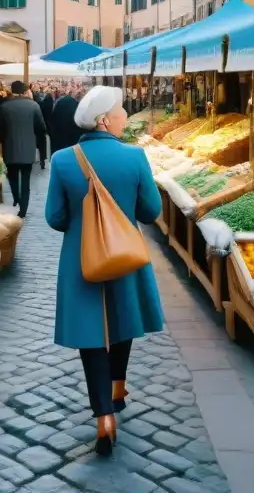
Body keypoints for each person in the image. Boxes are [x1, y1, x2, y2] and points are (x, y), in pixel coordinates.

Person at [45, 85, 164, 457]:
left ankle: (103, 419)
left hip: (82, 259)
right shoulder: (135, 156)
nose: (125, 116)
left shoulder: (64, 160)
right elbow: (150, 211)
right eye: (120, 111)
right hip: (124, 253)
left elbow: (55, 217)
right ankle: (118, 387)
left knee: (91, 333)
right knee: (123, 317)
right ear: (104, 120)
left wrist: (84, 221)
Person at [0, 81, 46, 218]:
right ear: (25, 91)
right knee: (26, 180)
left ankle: (16, 199)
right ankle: (23, 209)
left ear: (12, 90)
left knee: (12, 177)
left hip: (10, 147)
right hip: (28, 149)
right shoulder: (33, 105)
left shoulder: (4, 106)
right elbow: (41, 127)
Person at [50, 86, 84, 155]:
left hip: (59, 138)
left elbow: (53, 119)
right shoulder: (78, 107)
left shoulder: (60, 101)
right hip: (73, 141)